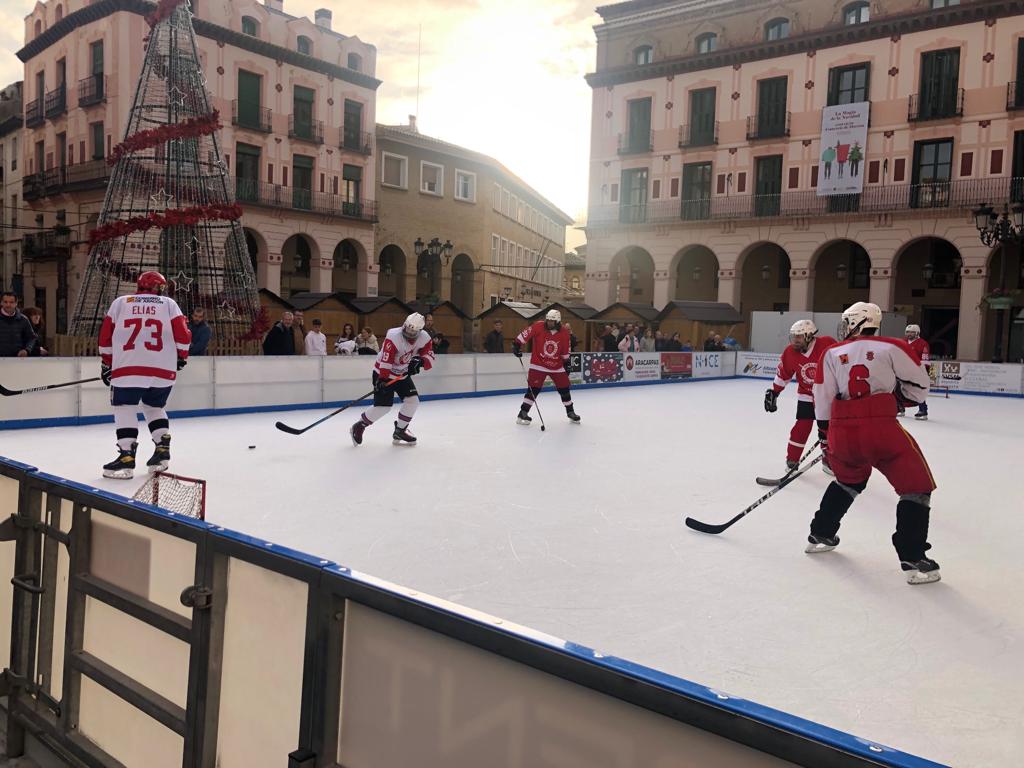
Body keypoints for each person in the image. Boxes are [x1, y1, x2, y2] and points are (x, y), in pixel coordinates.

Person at [807, 301, 939, 585]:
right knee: (917, 487)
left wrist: (824, 433)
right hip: (880, 427)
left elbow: (822, 395)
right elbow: (919, 386)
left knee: (847, 480)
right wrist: (900, 399)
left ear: (858, 322)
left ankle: (821, 532)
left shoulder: (831, 352)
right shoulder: (892, 346)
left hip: (841, 430)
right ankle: (913, 558)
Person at [97, 271, 191, 479]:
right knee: (154, 407)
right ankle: (162, 451)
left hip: (127, 369)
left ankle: (126, 457)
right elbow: (183, 334)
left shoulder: (121, 303)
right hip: (163, 370)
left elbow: (105, 337)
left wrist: (107, 364)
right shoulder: (168, 304)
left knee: (124, 407)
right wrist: (180, 357)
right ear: (159, 288)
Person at [350, 312, 435, 446]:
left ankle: (400, 430)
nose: (409, 333)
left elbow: (429, 355)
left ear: (420, 331)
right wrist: (382, 379)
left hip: (402, 375)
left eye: (413, 332)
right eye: (407, 329)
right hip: (383, 373)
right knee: (383, 407)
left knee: (413, 401)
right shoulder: (394, 336)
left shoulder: (425, 338)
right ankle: (359, 425)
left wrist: (421, 361)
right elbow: (386, 359)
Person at [764, 319, 837, 473]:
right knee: (802, 426)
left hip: (828, 395)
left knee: (827, 430)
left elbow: (842, 365)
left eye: (799, 337)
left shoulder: (826, 344)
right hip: (807, 394)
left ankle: (828, 460)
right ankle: (792, 459)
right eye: (793, 337)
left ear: (809, 336)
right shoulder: (790, 352)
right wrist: (775, 391)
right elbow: (784, 374)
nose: (795, 341)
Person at [513, 309, 580, 425]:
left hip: (557, 366)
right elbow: (524, 335)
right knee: (534, 389)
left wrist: (566, 363)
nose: (549, 323)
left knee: (564, 388)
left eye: (552, 321)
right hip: (538, 364)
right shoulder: (538, 326)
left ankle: (570, 412)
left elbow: (566, 349)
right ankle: (523, 412)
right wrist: (517, 345)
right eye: (548, 320)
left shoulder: (564, 332)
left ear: (558, 322)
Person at [903, 324, 930, 421]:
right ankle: (900, 407)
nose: (909, 334)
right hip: (902, 370)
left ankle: (923, 410)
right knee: (898, 389)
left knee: (917, 390)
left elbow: (925, 360)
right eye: (907, 332)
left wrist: (922, 371)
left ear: (917, 333)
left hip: (916, 371)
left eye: (911, 332)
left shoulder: (923, 344)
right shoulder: (903, 342)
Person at [0, 292, 36, 358]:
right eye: (5, 302)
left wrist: (27, 350)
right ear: (1, 303)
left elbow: (32, 338)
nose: (8, 305)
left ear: (16, 303)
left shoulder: (23, 320)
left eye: (11, 302)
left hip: (18, 360)